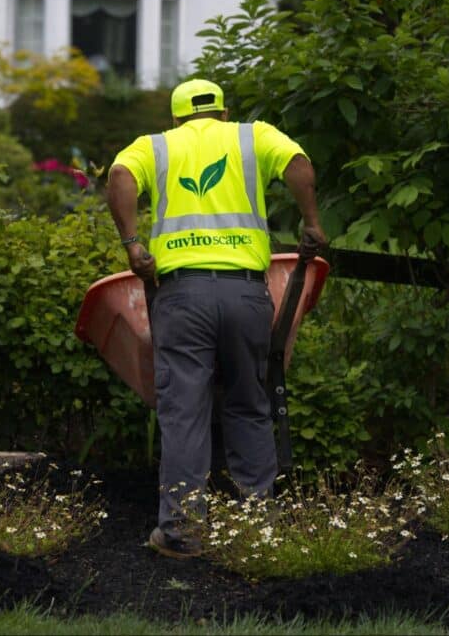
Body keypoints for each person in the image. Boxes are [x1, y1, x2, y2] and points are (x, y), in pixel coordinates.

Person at [106, 78, 327, 559]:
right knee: (250, 401)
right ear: (224, 113)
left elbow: (120, 176)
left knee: (184, 411)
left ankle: (183, 533)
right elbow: (299, 165)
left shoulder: (155, 147)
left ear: (176, 118)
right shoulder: (254, 136)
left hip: (182, 296)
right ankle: (256, 525)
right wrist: (311, 221)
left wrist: (133, 244)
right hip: (248, 292)